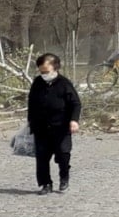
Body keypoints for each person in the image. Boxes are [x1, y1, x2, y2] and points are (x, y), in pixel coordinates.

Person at [26, 53, 82, 195]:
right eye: (41, 71)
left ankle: (64, 177)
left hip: (61, 127)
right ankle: (45, 184)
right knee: (42, 157)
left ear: (55, 67)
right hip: (41, 127)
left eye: (46, 71)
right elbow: (31, 103)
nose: (44, 74)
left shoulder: (64, 83)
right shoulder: (37, 83)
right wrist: (30, 123)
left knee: (63, 154)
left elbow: (75, 103)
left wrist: (74, 120)